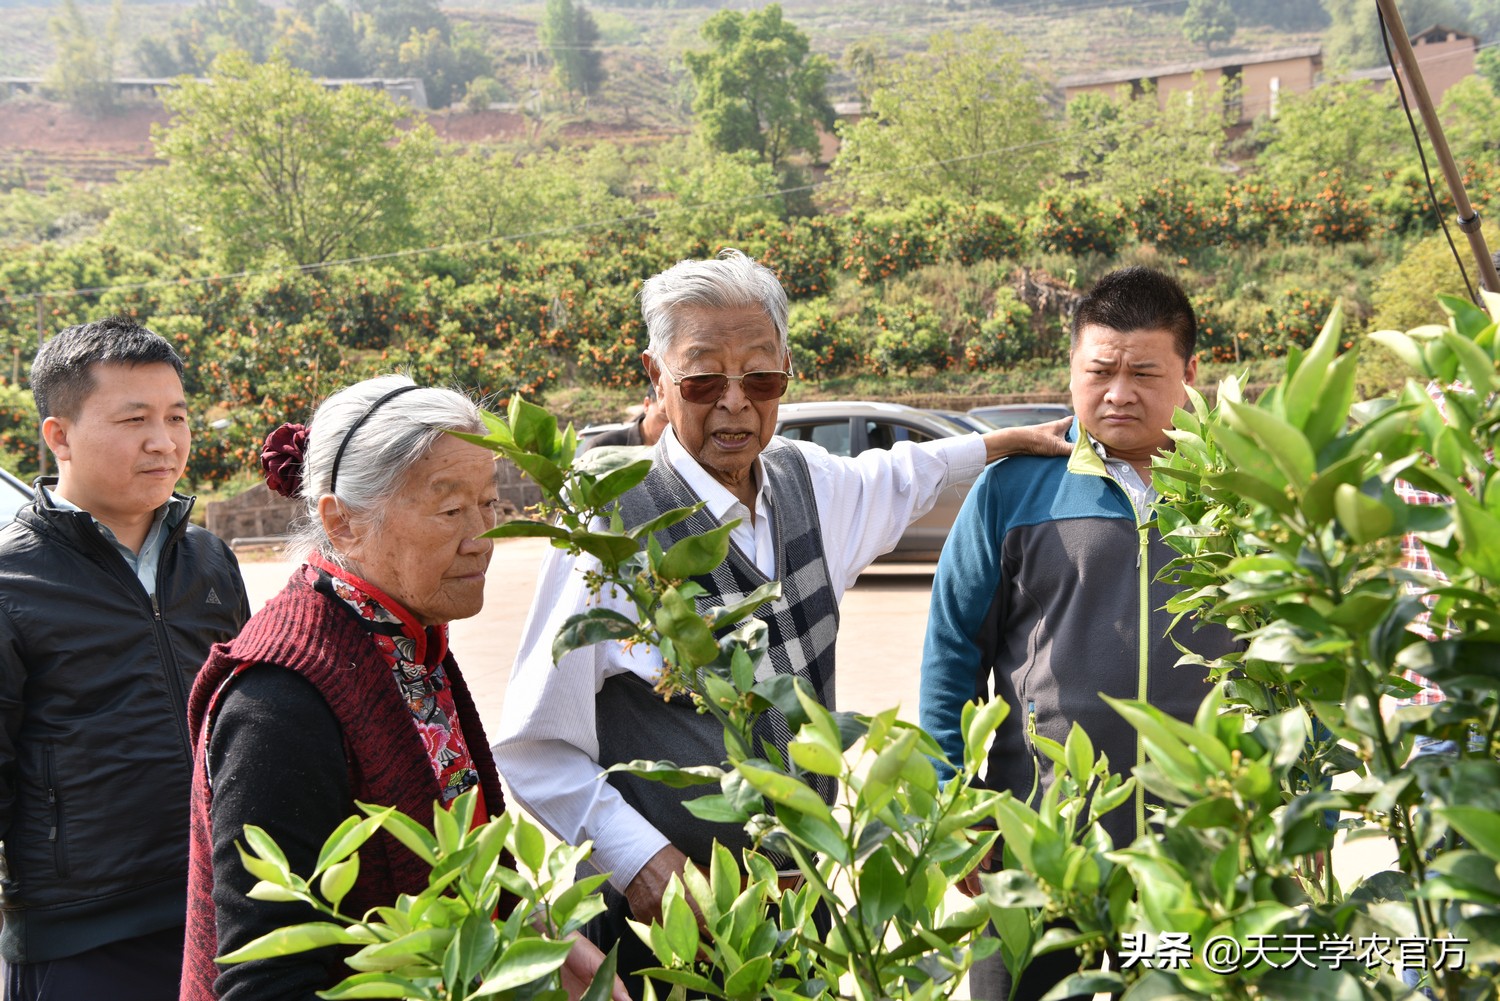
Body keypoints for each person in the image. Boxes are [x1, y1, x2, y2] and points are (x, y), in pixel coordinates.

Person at [495, 249, 1071, 989]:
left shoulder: (806, 480)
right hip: (671, 924)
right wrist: (641, 859)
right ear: (656, 377)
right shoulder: (612, 522)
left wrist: (1002, 443)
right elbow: (535, 745)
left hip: (801, 907)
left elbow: (902, 474)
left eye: (760, 378)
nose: (735, 402)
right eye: (704, 379)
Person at [178, 376, 624, 1001]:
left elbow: (465, 852)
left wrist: (532, 927)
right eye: (450, 510)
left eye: (490, 504)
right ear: (343, 522)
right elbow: (265, 980)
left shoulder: (407, 637)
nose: (483, 538)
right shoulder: (278, 700)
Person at [918, 267, 1237, 1001]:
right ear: (1072, 370)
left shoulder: (1238, 489)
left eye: (1145, 373)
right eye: (1100, 371)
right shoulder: (1015, 488)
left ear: (1191, 373)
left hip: (1197, 852)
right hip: (1038, 846)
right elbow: (952, 654)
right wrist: (955, 800)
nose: (1119, 392)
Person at [0, 318, 251, 1000]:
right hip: (83, 940)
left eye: (176, 416)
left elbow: (250, 721)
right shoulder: (10, 582)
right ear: (59, 435)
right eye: (134, 418)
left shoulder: (208, 559)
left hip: (226, 910)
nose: (164, 442)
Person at [582, 384, 669, 451]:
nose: (670, 428)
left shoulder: (678, 453)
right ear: (646, 405)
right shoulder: (601, 447)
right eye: (664, 418)